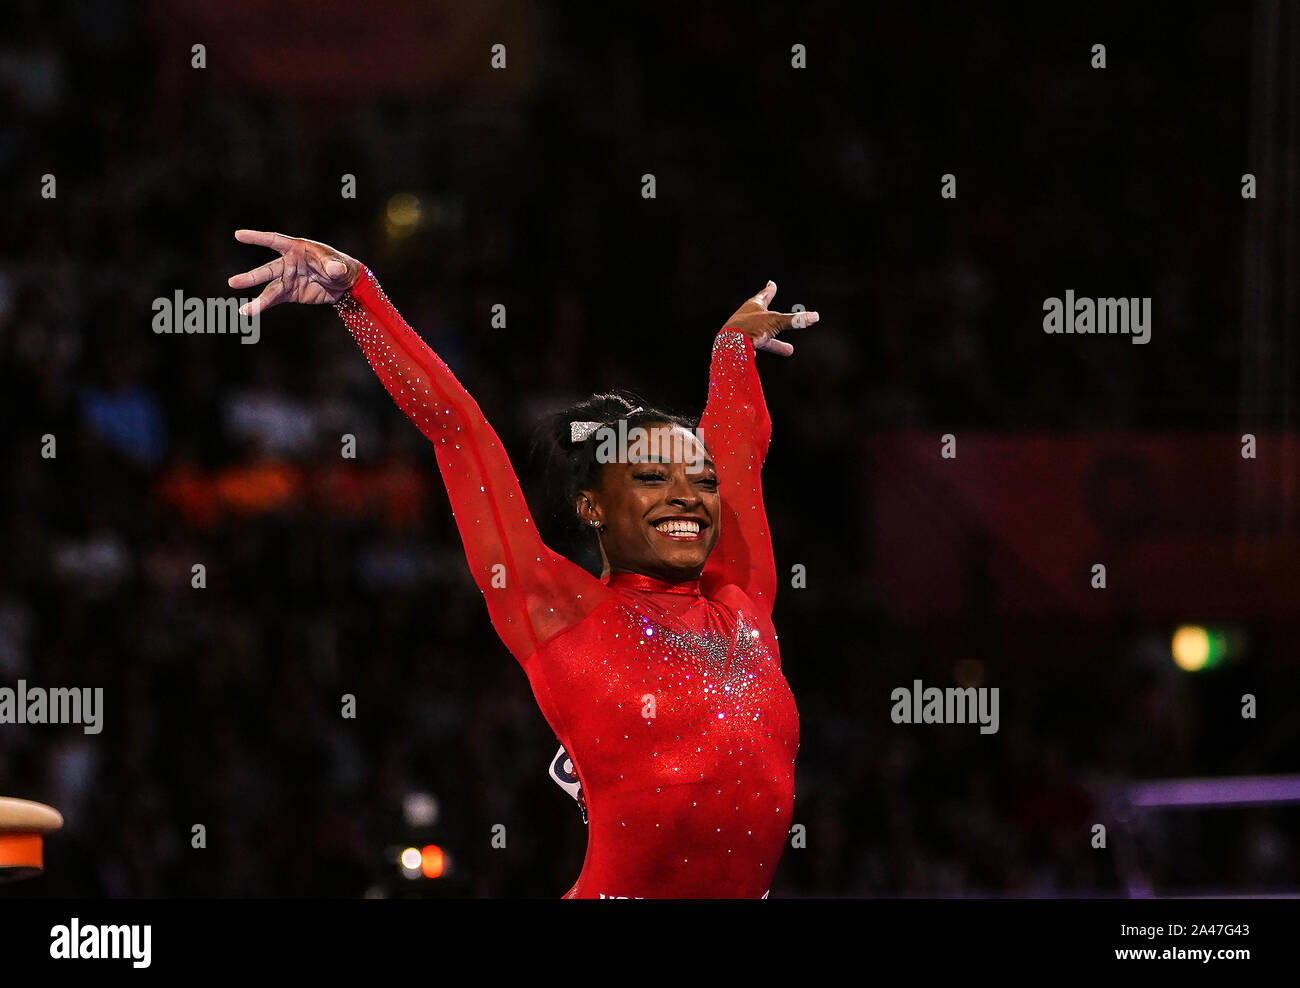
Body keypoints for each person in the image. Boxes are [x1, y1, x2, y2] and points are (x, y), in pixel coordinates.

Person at [228, 229, 819, 898]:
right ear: (594, 506)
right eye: (654, 477)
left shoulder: (743, 598)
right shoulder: (557, 609)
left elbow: (738, 446)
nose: (687, 495)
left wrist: (732, 347)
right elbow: (456, 428)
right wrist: (358, 294)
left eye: (697, 479)